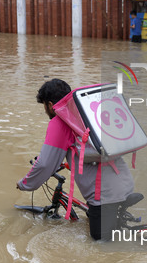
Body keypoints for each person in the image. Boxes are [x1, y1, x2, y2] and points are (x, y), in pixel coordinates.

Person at [16, 79, 135, 241]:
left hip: (104, 196)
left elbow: (44, 164)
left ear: (50, 105)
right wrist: (67, 163)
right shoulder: (87, 112)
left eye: (44, 106)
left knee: (100, 249)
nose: (45, 110)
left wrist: (24, 184)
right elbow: (87, 150)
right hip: (124, 183)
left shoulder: (60, 122)